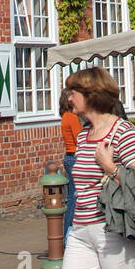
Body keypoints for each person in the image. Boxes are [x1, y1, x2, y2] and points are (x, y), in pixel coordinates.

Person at [57, 66, 135, 269]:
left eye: (74, 92)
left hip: (113, 229)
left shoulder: (123, 132)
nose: (69, 98)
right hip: (80, 231)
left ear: (91, 94)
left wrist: (110, 167)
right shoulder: (84, 135)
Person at [59, 87, 82, 234]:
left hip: (69, 156)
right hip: (74, 156)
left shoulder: (65, 116)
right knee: (74, 198)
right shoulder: (72, 118)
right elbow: (79, 139)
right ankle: (68, 233)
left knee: (72, 196)